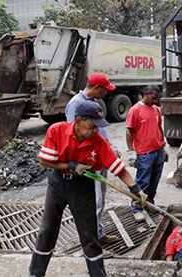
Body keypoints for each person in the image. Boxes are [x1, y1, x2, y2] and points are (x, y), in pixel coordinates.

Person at [30, 101, 148, 277]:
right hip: (58, 184)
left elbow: (118, 168)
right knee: (47, 230)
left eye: (97, 127)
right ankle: (35, 274)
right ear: (78, 120)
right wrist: (71, 165)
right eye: (92, 126)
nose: (95, 131)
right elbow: (44, 160)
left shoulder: (97, 141)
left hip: (82, 187)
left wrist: (135, 188)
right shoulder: (57, 130)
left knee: (89, 234)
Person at [65, 72, 119, 253]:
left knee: (100, 199)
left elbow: (99, 131)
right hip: (88, 161)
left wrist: (109, 148)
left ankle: (99, 233)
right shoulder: (75, 104)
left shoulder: (93, 104)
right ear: (96, 88)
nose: (106, 93)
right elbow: (75, 134)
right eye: (105, 89)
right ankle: (92, 244)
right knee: (92, 201)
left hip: (99, 157)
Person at [125, 85, 168, 222]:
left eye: (157, 98)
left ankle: (149, 203)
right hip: (144, 153)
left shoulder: (155, 109)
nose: (155, 100)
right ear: (145, 94)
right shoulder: (135, 110)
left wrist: (163, 146)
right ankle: (137, 208)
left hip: (158, 151)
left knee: (154, 181)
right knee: (143, 181)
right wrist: (131, 151)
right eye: (153, 97)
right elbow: (129, 131)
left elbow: (159, 128)